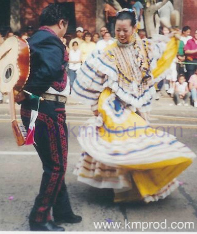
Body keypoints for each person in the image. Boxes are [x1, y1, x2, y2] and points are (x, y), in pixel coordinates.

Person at [72, 9, 195, 203]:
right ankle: (121, 188)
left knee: (136, 141)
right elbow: (94, 80)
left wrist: (173, 35)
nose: (120, 34)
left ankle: (130, 187)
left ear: (134, 28)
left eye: (124, 30)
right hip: (112, 105)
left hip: (134, 103)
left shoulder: (145, 48)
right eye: (117, 30)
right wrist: (95, 107)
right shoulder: (107, 52)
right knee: (124, 140)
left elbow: (162, 52)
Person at [20, 4, 82, 231]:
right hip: (46, 108)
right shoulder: (51, 40)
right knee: (56, 166)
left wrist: (25, 94)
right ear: (62, 22)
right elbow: (49, 71)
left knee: (53, 163)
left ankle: (62, 210)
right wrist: (28, 92)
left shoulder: (34, 38)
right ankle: (39, 217)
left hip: (38, 108)